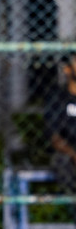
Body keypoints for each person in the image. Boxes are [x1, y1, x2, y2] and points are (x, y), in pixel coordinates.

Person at [44, 53, 76, 193]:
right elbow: (55, 138)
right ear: (67, 69)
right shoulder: (58, 98)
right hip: (69, 153)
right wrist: (74, 154)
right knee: (62, 161)